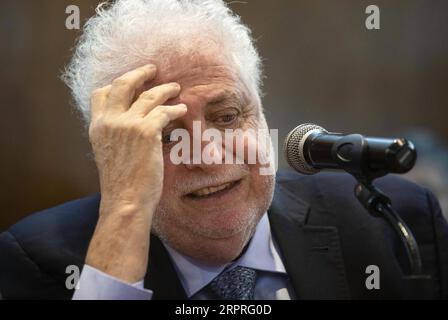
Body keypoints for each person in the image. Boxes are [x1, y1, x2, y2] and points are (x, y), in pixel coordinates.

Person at [0, 0, 447, 300]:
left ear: (261, 109)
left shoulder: (394, 224)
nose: (209, 155)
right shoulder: (40, 262)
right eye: (167, 133)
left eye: (227, 116)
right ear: (114, 151)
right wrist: (126, 210)